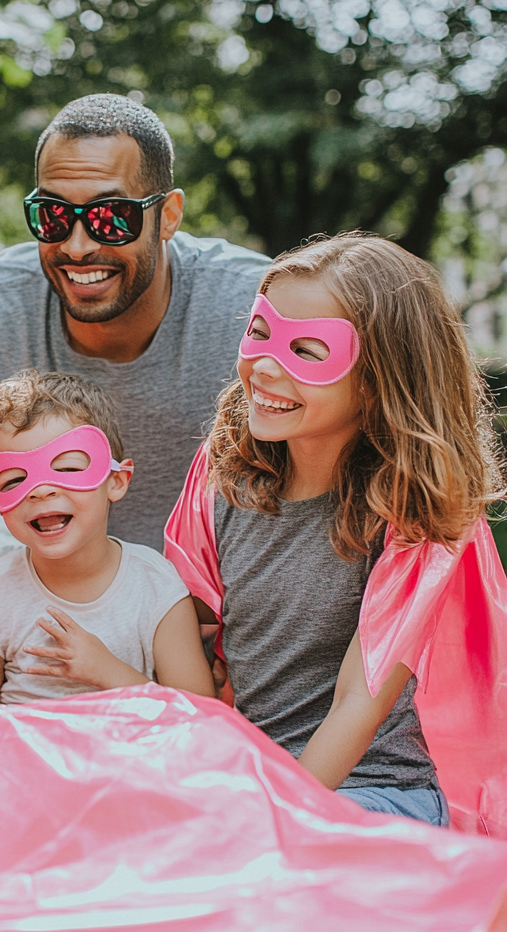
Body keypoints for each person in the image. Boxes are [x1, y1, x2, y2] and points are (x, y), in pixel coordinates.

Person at [0, 93, 271, 657]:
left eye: (111, 218)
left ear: (169, 216)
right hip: (50, 661)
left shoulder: (256, 312)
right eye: (53, 216)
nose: (79, 246)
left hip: (231, 654)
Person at [165, 233, 507, 832]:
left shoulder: (415, 515)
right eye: (261, 333)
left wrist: (268, 817)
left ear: (379, 379)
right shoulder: (225, 475)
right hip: (255, 779)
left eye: (307, 349)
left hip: (371, 792)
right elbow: (189, 639)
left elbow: (360, 700)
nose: (265, 365)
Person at [0, 370, 215, 705]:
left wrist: (109, 672)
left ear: (117, 480)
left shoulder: (156, 587)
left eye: (68, 469)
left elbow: (201, 716)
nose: (41, 491)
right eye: (13, 480)